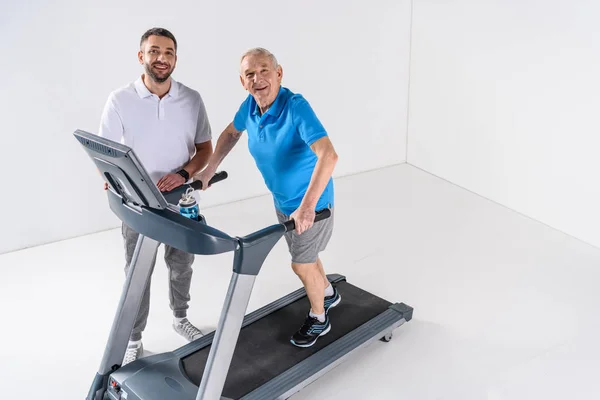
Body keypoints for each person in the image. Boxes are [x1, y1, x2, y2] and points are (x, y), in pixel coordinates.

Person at [197, 47, 340, 348]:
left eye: (264, 71)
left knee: (301, 263)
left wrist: (307, 207)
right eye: (250, 74)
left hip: (311, 204)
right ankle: (326, 292)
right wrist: (210, 168)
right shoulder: (249, 107)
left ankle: (319, 318)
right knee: (307, 256)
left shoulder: (295, 107)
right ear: (242, 81)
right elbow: (231, 134)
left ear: (279, 73)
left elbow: (328, 155)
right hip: (284, 201)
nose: (257, 79)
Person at [98, 27, 213, 364]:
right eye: (154, 51)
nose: (162, 58)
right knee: (137, 272)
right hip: (138, 204)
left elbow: (205, 149)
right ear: (141, 56)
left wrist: (184, 174)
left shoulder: (191, 99)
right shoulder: (120, 99)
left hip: (180, 200)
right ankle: (134, 337)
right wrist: (110, 178)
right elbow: (104, 153)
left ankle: (181, 318)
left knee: (181, 265)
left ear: (175, 58)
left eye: (169, 53)